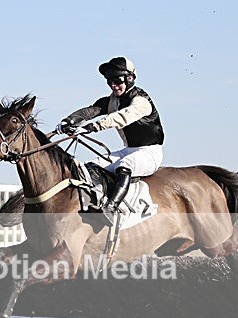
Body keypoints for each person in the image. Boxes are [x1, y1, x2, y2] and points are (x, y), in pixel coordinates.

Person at [57, 57, 165, 221]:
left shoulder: (141, 101)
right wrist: (69, 121)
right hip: (128, 150)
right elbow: (91, 111)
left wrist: (92, 127)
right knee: (90, 167)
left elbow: (121, 117)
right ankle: (96, 201)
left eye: (117, 81)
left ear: (130, 78)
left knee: (125, 166)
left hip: (150, 153)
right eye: (110, 82)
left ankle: (111, 208)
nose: (113, 86)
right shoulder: (112, 100)